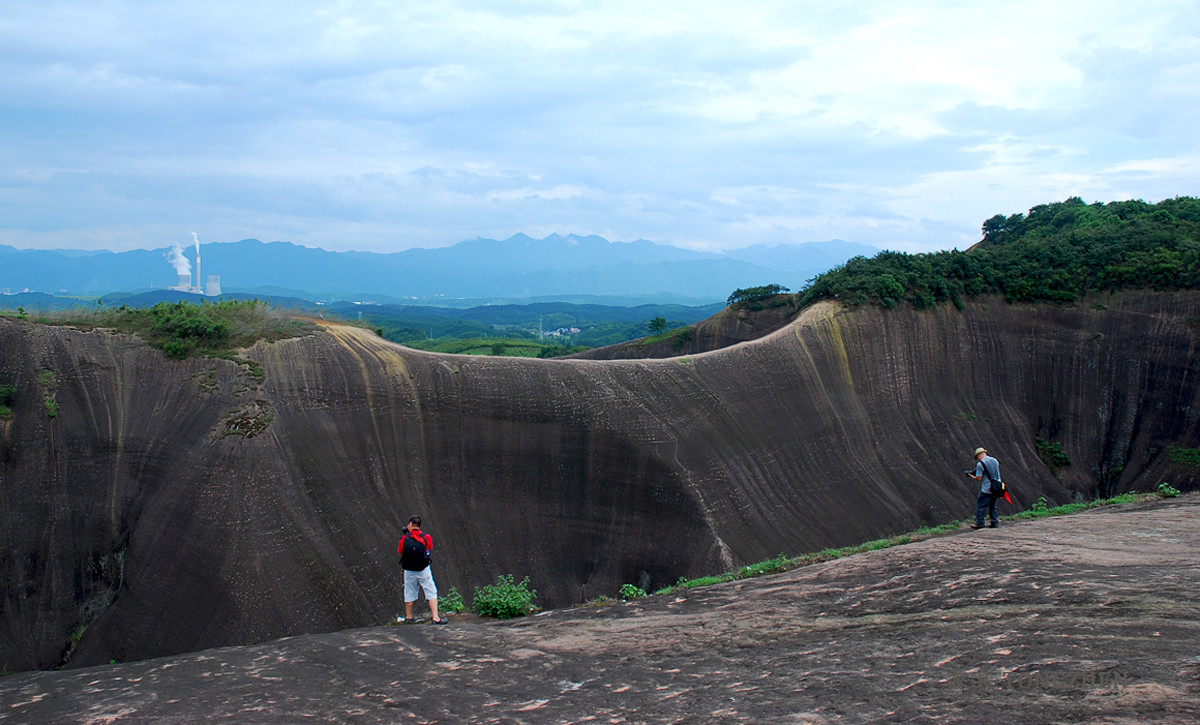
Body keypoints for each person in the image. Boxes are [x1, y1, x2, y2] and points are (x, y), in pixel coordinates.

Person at [397, 515, 447, 624]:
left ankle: (409, 617)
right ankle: (435, 618)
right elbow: (428, 548)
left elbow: (400, 551)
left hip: (409, 570)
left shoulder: (404, 539)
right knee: (431, 591)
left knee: (409, 592)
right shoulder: (426, 537)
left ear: (410, 524)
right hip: (423, 570)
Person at [966, 446, 1003, 529]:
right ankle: (994, 521)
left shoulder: (980, 464)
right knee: (993, 505)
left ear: (979, 455)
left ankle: (980, 523)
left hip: (987, 489)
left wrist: (971, 475)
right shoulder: (994, 460)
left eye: (977, 457)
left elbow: (979, 478)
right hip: (997, 487)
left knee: (980, 506)